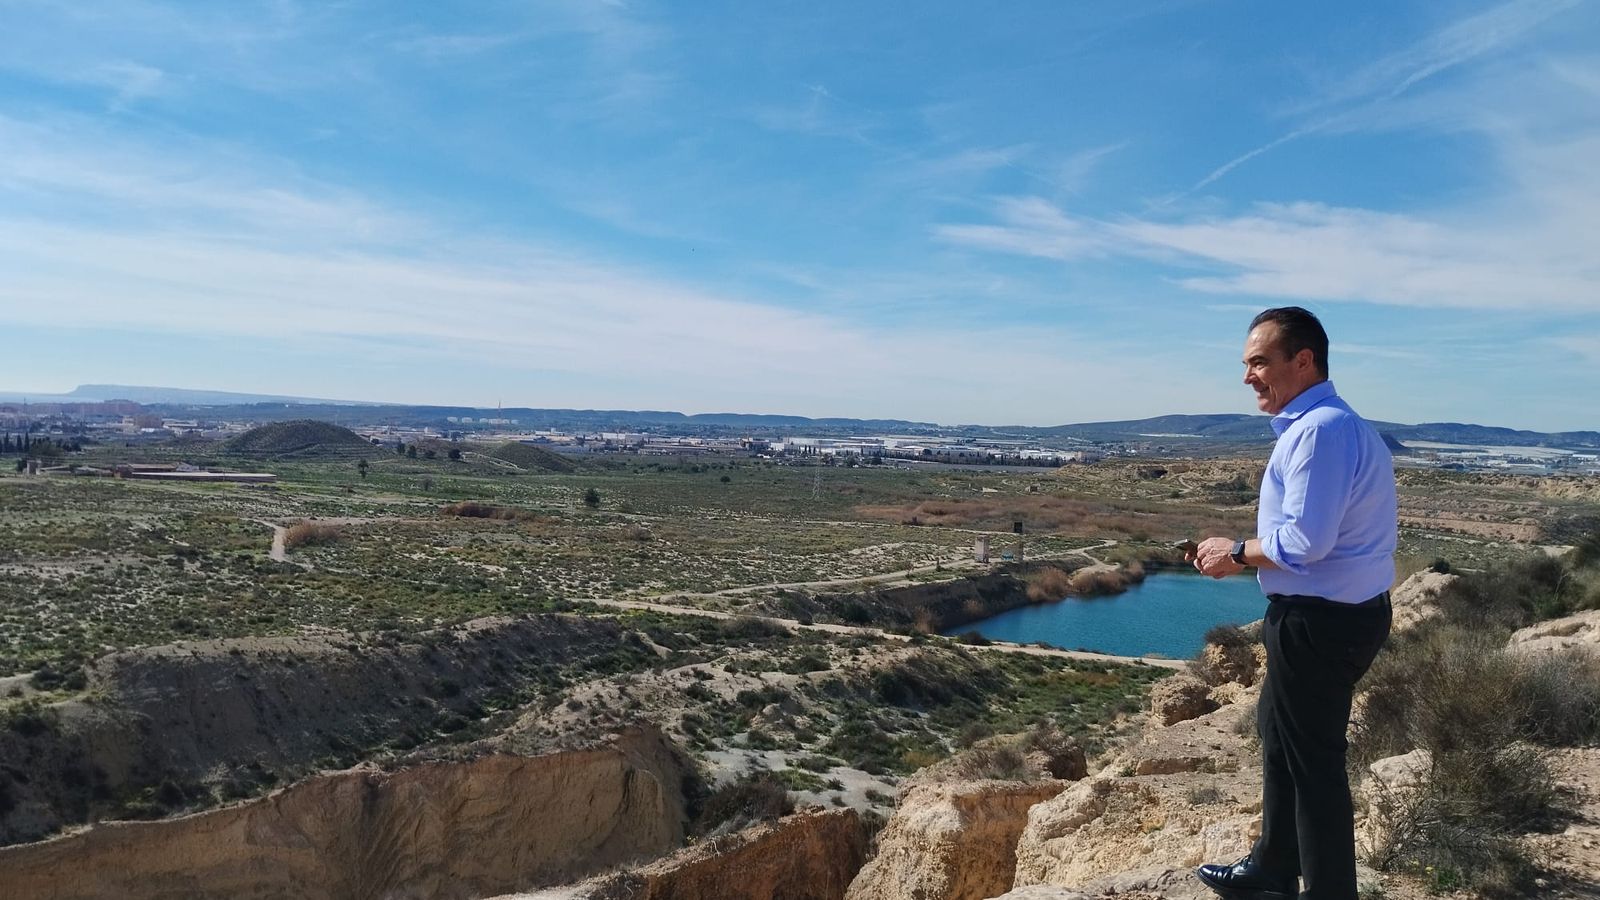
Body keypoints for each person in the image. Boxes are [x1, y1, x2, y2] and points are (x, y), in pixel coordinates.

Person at [1188, 307, 1397, 900]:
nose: (1248, 377)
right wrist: (1245, 555)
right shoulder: (1334, 425)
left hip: (1320, 623)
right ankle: (1273, 867)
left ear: (1302, 361)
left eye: (1259, 362)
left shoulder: (1319, 431)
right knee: (1278, 734)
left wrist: (1235, 551)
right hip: (1325, 615)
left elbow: (1306, 542)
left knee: (1313, 767)